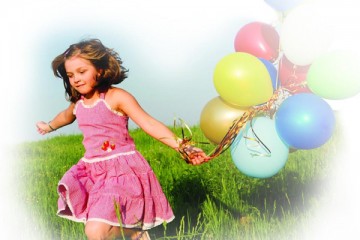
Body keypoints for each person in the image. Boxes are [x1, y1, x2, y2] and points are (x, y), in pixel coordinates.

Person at [36, 38, 209, 240]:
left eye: (82, 72)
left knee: (95, 231)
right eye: (71, 75)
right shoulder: (78, 104)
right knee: (95, 230)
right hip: (93, 172)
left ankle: (135, 231)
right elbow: (64, 117)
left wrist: (183, 147)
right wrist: (49, 126)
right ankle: (134, 233)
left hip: (122, 171)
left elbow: (149, 124)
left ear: (99, 70)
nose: (75, 79)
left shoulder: (116, 97)